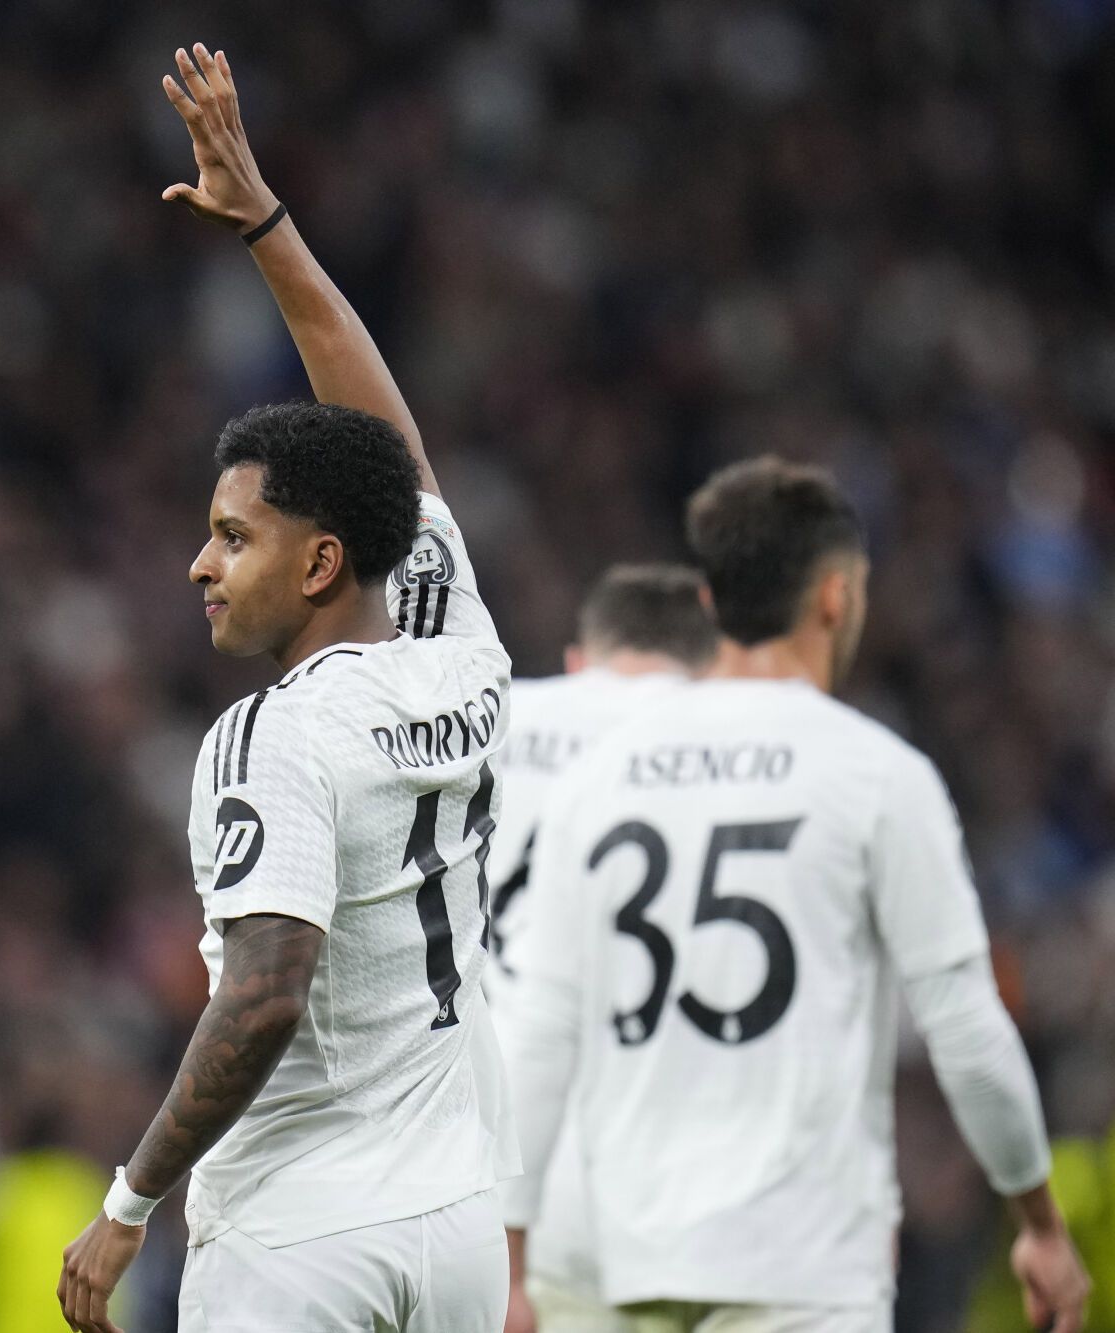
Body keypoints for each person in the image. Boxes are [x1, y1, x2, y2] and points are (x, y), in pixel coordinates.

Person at [59, 44, 516, 1333]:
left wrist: (130, 1201)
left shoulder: (272, 736)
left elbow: (265, 987)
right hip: (455, 1226)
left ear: (320, 562)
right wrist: (263, 223)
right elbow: (388, 447)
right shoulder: (457, 646)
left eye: (231, 536)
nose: (198, 561)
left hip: (302, 1240)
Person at [498, 457, 1091, 1333]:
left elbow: (541, 1034)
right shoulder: (877, 774)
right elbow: (966, 1027)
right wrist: (1039, 1222)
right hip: (804, 1264)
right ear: (836, 598)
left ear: (708, 606)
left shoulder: (600, 778)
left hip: (627, 1257)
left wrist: (512, 1255)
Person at [484, 565, 716, 1333]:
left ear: (580, 660)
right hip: (693, 1186)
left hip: (492, 1184)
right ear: (710, 663)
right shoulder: (734, 744)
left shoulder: (487, 723)